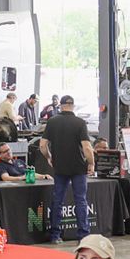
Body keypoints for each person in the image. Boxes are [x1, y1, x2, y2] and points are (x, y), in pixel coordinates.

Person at [42, 95, 92, 240]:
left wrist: (49, 157)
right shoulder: (80, 123)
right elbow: (87, 147)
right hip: (78, 167)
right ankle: (83, 234)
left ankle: (55, 235)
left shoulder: (52, 121)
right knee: (80, 200)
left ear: (61, 106)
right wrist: (91, 163)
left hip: (60, 167)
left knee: (58, 200)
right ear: (73, 106)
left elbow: (42, 145)